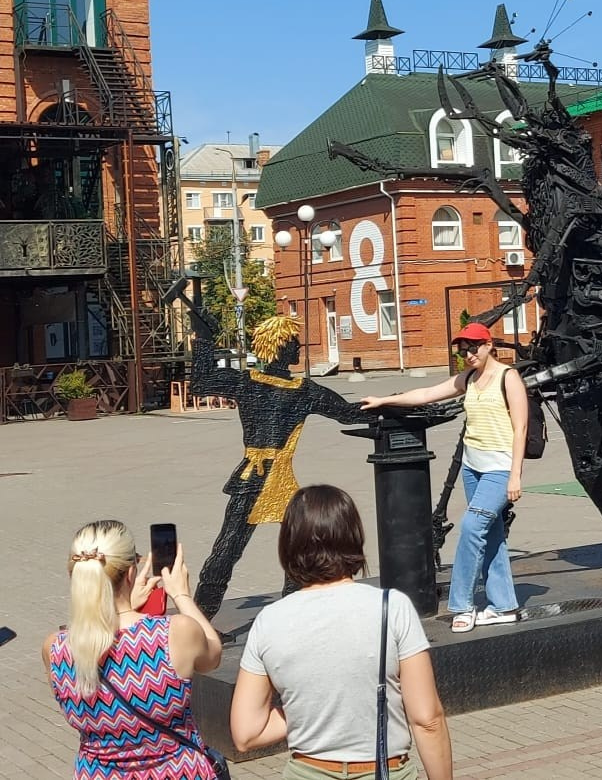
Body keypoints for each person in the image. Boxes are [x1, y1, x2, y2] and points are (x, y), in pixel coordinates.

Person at [230, 485, 453, 780]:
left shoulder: (269, 620)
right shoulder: (392, 607)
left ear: (289, 544)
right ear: (354, 537)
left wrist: (308, 712)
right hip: (385, 770)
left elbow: (246, 733)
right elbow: (427, 720)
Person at [190, 313, 365, 619]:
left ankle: (292, 610)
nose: (299, 347)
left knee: (294, 544)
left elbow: (349, 413)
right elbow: (201, 382)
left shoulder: (293, 387)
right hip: (256, 478)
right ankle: (202, 619)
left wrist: (398, 404)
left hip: (273, 478)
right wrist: (203, 339)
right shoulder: (262, 383)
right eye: (294, 342)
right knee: (230, 548)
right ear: (280, 346)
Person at [361, 322, 527, 633]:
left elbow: (521, 428)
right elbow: (427, 394)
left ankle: (462, 605)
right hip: (473, 468)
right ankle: (504, 606)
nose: (469, 354)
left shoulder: (509, 377)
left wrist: (515, 475)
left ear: (489, 345)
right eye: (463, 350)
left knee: (471, 528)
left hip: (500, 469)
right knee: (491, 535)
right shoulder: (469, 378)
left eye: (474, 347)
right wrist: (384, 400)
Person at [43, 520, 223, 779]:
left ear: (76, 574)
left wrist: (128, 607)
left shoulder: (55, 648)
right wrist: (181, 595)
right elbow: (213, 655)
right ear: (130, 573)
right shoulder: (175, 632)